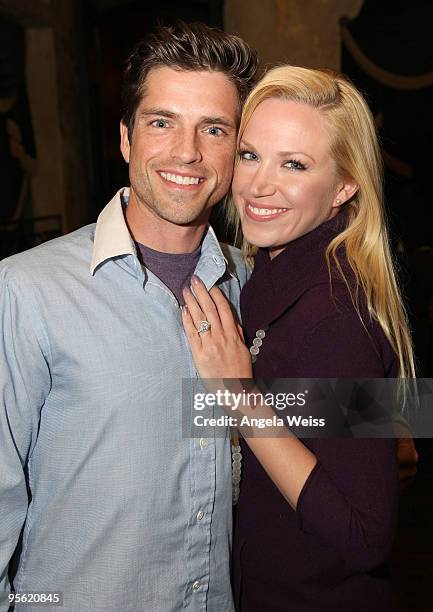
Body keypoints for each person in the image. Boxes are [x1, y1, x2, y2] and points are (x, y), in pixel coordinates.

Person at [0, 22, 258, 612]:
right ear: (126, 138)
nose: (187, 151)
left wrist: (380, 411)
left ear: (237, 152)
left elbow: (356, 417)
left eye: (213, 129)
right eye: (162, 122)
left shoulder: (254, 284)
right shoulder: (28, 290)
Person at [182, 66, 416, 611]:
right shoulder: (274, 276)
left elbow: (366, 536)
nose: (258, 185)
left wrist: (239, 398)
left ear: (344, 186)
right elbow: (385, 440)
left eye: (294, 164)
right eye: (250, 155)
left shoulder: (331, 310)